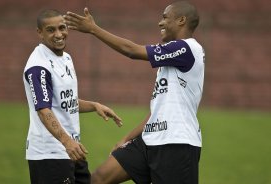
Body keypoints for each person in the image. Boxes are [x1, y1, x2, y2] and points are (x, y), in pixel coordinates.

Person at [64, 1, 205, 183]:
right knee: (99, 178)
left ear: (181, 20)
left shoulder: (187, 48)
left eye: (164, 17)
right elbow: (158, 112)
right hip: (149, 140)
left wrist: (93, 29)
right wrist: (126, 139)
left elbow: (131, 50)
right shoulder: (172, 57)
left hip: (177, 144)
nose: (160, 23)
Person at [23, 9, 122, 184]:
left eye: (62, 28)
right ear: (40, 33)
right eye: (51, 30)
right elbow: (44, 110)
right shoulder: (38, 66)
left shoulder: (66, 58)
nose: (59, 34)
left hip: (73, 150)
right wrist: (67, 142)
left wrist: (94, 105)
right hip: (50, 155)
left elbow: (63, 102)